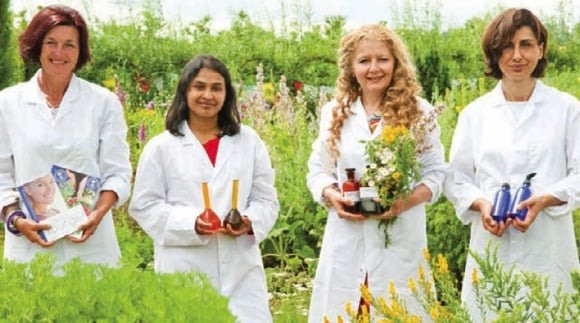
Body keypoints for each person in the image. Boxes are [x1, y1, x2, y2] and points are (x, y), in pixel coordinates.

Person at [444, 8, 580, 321]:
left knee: (550, 310)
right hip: (492, 239)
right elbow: (457, 178)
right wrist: (481, 204)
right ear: (494, 53)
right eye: (506, 46)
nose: (516, 55)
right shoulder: (475, 114)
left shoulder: (566, 109)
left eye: (526, 44)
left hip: (548, 244)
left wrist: (545, 199)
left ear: (541, 49)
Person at [306, 24, 446, 321]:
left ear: (396, 63)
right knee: (346, 309)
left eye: (382, 59)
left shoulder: (419, 112)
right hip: (348, 236)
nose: (374, 68)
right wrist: (332, 195)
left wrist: (403, 203)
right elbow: (318, 170)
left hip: (399, 238)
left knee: (400, 310)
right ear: (350, 67)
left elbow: (435, 174)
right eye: (363, 61)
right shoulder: (335, 112)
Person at [129, 54, 279, 322]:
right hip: (184, 269)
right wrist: (192, 223)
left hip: (240, 272)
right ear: (185, 90)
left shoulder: (249, 142)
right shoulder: (161, 147)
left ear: (227, 94)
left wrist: (247, 221)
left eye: (216, 88)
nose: (207, 95)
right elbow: (144, 206)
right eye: (199, 87)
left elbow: (266, 200)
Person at [0, 5, 132, 266]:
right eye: (51, 42)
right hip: (30, 246)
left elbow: (118, 172)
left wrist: (98, 215)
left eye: (69, 45)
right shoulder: (7, 103)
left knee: (96, 306)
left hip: (91, 246)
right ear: (37, 46)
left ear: (80, 51)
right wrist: (16, 220)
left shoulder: (103, 103)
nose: (59, 52)